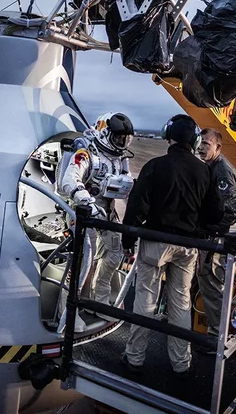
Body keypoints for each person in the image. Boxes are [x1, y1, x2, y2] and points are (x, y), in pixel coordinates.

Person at [121, 114, 225, 377]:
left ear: (168, 135)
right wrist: (199, 229)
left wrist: (127, 240)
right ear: (194, 140)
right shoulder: (205, 170)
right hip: (186, 246)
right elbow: (216, 213)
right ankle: (181, 363)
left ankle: (134, 358)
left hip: (155, 243)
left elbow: (136, 207)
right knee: (180, 302)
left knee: (145, 299)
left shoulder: (155, 166)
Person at [58, 112, 135, 322]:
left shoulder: (120, 158)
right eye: (119, 138)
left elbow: (125, 183)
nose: (122, 143)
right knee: (84, 260)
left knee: (114, 254)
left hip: (107, 213)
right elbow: (69, 180)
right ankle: (70, 309)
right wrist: (87, 202)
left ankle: (99, 301)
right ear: (105, 133)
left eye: (126, 139)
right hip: (83, 213)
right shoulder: (86, 152)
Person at [195, 128, 236, 339]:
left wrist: (210, 229)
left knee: (212, 287)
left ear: (217, 147)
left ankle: (217, 336)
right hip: (205, 237)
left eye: (207, 144)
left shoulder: (221, 171)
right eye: (200, 142)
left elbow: (235, 210)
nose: (201, 147)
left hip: (213, 240)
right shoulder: (208, 167)